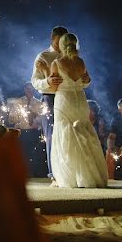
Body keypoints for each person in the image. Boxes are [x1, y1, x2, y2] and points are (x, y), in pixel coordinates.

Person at [48, 33, 107, 188]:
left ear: (61, 45)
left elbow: (53, 86)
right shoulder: (81, 62)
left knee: (66, 135)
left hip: (64, 100)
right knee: (83, 133)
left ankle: (73, 177)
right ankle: (90, 176)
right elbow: (86, 80)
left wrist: (48, 81)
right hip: (80, 100)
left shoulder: (57, 63)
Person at [31, 26, 69, 179]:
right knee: (52, 135)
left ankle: (68, 170)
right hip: (49, 98)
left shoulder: (69, 56)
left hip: (67, 98)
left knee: (68, 134)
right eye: (60, 39)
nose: (62, 43)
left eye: (64, 40)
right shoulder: (43, 56)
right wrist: (48, 81)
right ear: (53, 39)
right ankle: (54, 172)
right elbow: (34, 81)